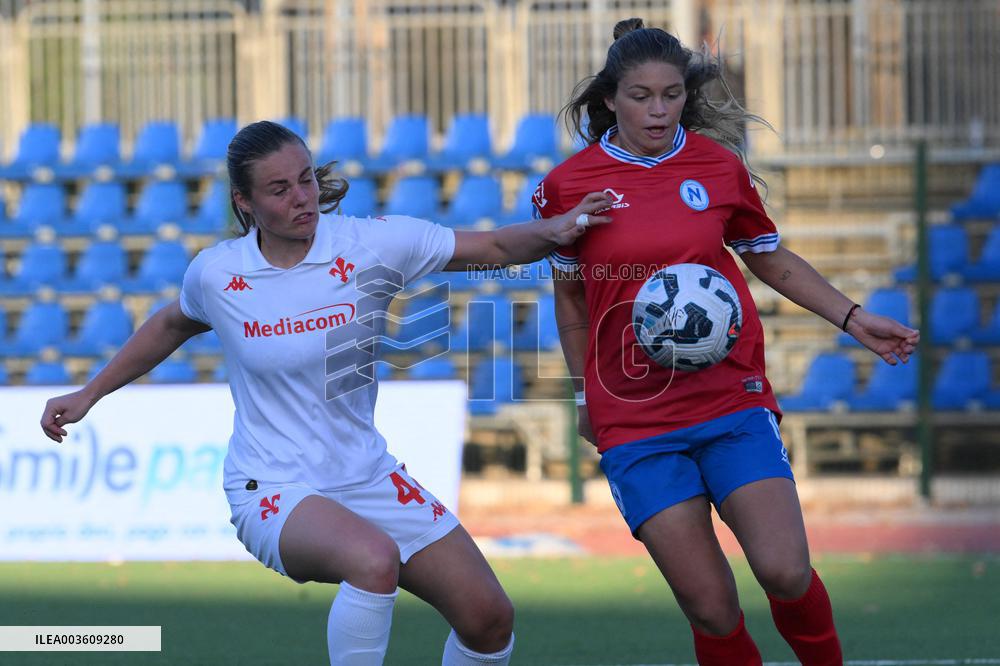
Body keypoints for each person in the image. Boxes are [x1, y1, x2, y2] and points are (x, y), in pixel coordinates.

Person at [40, 120, 612, 666]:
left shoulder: (371, 245)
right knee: (372, 560)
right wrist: (91, 393)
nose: (302, 197)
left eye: (307, 178)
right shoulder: (217, 274)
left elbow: (493, 247)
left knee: (489, 618)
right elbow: (169, 325)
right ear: (245, 203)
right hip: (273, 485)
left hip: (368, 475)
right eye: (280, 188)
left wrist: (555, 229)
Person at [537, 19, 919, 666]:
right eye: (640, 95)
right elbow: (570, 298)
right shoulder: (568, 185)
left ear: (686, 94)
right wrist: (583, 394)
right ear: (609, 99)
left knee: (785, 571)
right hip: (634, 416)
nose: (658, 110)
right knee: (712, 609)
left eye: (671, 94)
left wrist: (854, 318)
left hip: (730, 399)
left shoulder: (717, 166)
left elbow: (769, 258)